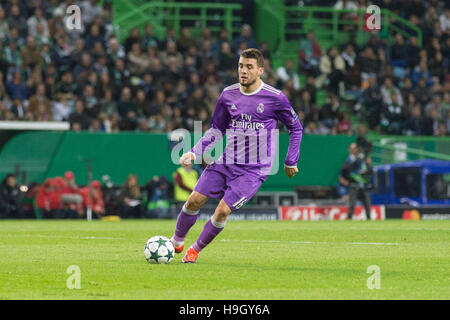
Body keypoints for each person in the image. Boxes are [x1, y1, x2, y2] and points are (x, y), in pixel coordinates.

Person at [170, 48, 303, 263]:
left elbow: (296, 128)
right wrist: (195, 152)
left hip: (253, 171)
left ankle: (194, 250)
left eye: (249, 67)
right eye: (241, 65)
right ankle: (176, 241)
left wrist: (290, 161)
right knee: (194, 200)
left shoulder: (275, 98)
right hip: (225, 162)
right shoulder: (228, 95)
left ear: (260, 70)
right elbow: (216, 129)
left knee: (222, 211)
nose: (243, 70)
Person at [340, 143, 372, 220]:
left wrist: (368, 164)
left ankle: (369, 218)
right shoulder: (349, 160)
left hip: (363, 183)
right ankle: (350, 217)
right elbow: (345, 170)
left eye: (355, 148)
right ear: (350, 150)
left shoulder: (362, 158)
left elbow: (366, 170)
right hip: (354, 183)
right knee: (352, 203)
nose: (355, 150)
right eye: (353, 148)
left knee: (367, 202)